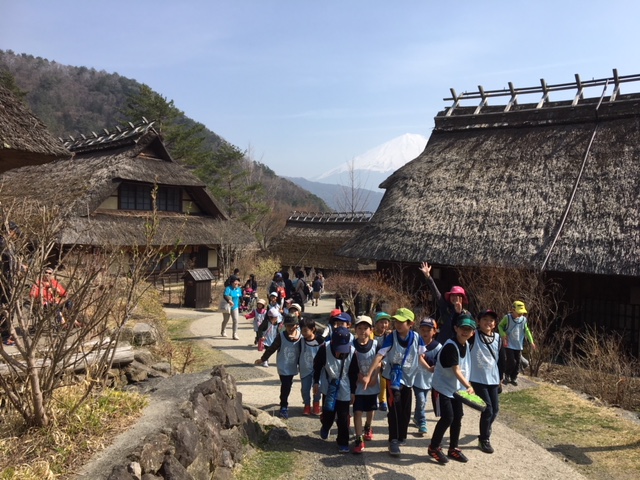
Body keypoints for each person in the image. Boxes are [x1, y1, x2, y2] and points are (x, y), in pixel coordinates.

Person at [362, 308, 428, 457]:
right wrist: (369, 374)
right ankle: (393, 441)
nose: (397, 324)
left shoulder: (416, 337)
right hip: (393, 379)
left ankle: (401, 436)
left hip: (409, 379)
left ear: (410, 323)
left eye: (401, 322)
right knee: (394, 409)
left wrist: (430, 369)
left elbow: (420, 357)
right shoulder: (392, 337)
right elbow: (380, 355)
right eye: (396, 321)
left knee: (405, 410)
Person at [428, 313, 477, 464]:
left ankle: (453, 448)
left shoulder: (466, 344)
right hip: (442, 387)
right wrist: (469, 386)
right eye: (462, 328)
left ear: (472, 332)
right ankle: (434, 447)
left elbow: (465, 368)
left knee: (458, 417)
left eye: (469, 329)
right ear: (456, 328)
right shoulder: (450, 346)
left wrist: (465, 385)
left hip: (455, 389)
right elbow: (456, 370)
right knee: (448, 417)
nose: (465, 331)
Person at [313, 326, 357, 453]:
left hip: (344, 385)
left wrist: (353, 391)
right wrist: (316, 382)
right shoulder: (324, 349)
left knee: (343, 416)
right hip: (329, 384)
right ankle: (326, 426)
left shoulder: (353, 352)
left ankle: (343, 442)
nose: (339, 353)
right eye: (337, 349)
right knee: (329, 411)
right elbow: (317, 366)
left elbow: (354, 373)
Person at [255, 314, 302, 419]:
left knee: (288, 384)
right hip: (283, 366)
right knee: (286, 385)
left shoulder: (301, 336)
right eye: (288, 326)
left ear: (297, 325)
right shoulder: (281, 336)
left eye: (292, 325)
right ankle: (284, 406)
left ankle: (284, 400)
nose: (290, 328)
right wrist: (263, 359)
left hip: (294, 366)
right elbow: (271, 349)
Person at [469, 309, 502, 454]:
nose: (488, 322)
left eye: (491, 320)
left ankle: (486, 427)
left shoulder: (498, 338)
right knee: (487, 409)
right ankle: (484, 439)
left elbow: (502, 360)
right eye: (485, 319)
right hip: (477, 378)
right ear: (479, 322)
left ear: (494, 324)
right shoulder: (473, 335)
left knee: (495, 410)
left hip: (493, 379)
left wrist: (500, 378)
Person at [420, 261, 471, 342]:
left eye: (457, 296)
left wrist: (459, 312)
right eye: (452, 295)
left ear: (462, 299)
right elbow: (436, 294)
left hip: (457, 346)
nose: (454, 298)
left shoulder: (466, 314)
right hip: (441, 343)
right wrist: (428, 277)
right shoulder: (445, 308)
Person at [351, 315, 380, 454]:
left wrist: (373, 376)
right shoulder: (351, 345)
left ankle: (368, 426)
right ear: (355, 329)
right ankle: (358, 438)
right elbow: (350, 365)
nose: (363, 331)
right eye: (360, 328)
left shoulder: (375, 345)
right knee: (357, 411)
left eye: (366, 328)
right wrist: (360, 376)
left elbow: (379, 362)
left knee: (370, 409)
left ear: (371, 330)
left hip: (372, 384)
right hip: (357, 385)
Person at [413, 317, 441, 435]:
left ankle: (416, 416)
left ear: (434, 331)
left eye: (428, 330)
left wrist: (427, 358)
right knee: (421, 399)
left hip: (429, 380)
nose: (425, 333)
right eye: (423, 330)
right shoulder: (415, 343)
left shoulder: (438, 347)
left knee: (422, 400)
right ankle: (422, 421)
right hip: (416, 378)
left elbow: (439, 362)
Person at [499, 300, 536, 386]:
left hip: (518, 344)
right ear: (513, 310)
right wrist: (503, 335)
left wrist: (531, 341)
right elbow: (500, 326)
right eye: (519, 312)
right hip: (508, 343)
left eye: (522, 312)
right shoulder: (507, 318)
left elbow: (526, 330)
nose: (520, 314)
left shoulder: (523, 320)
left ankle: (514, 377)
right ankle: (507, 374)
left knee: (518, 362)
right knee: (511, 360)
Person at [299, 318, 324, 415]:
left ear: (313, 329)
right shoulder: (301, 341)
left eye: (306, 330)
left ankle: (316, 404)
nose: (304, 333)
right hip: (305, 369)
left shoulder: (321, 341)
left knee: (318, 388)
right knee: (305, 389)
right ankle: (307, 405)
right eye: (302, 330)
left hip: (318, 370)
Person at [373, 312, 392, 411]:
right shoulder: (372, 334)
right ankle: (372, 398)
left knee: (383, 381)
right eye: (381, 322)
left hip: (384, 361)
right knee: (374, 380)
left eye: (386, 322)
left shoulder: (389, 335)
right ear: (376, 323)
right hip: (373, 361)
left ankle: (382, 400)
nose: (384, 325)